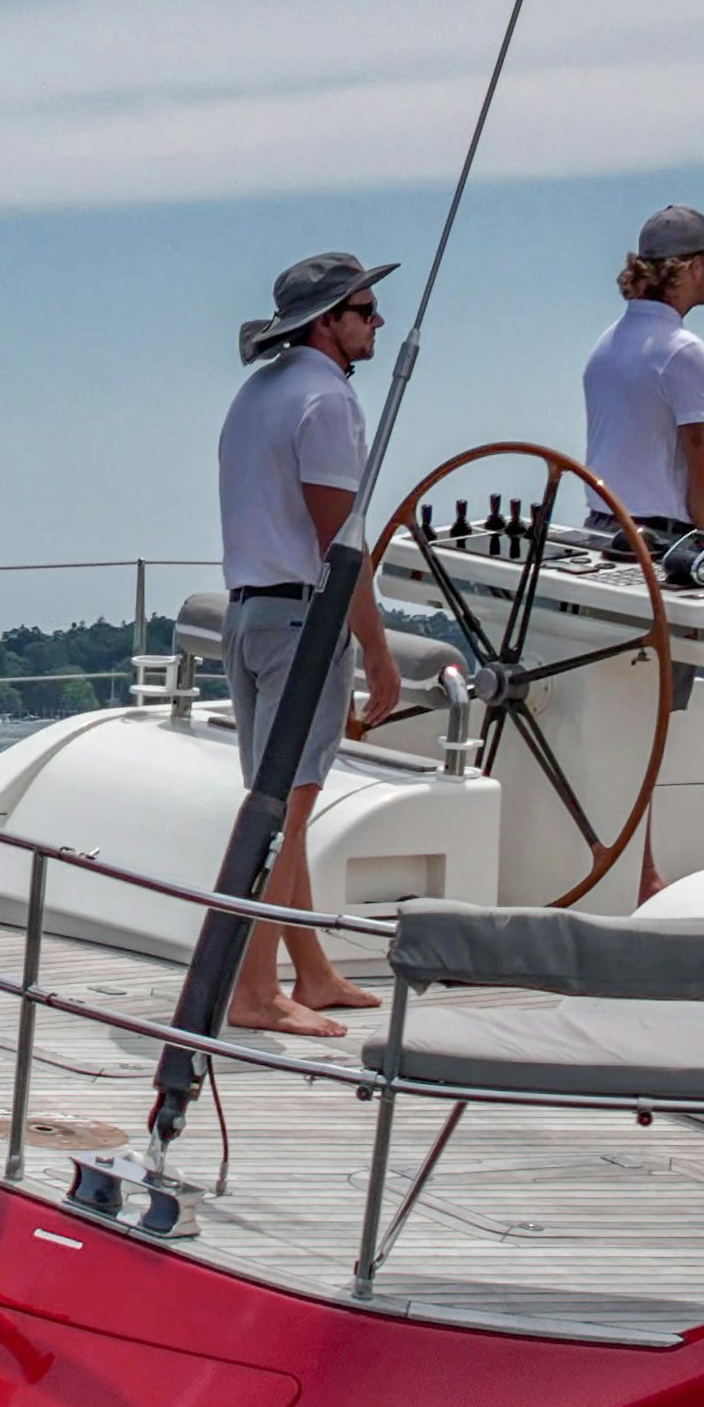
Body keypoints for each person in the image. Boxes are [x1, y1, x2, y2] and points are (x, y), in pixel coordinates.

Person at [218, 251, 405, 1036]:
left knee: (271, 806)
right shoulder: (327, 402)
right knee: (288, 817)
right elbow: (341, 545)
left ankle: (311, 970)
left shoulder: (256, 393)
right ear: (327, 322)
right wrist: (382, 655)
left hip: (247, 615)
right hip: (301, 624)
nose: (377, 322)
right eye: (364, 310)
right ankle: (253, 991)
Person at [582, 204, 704, 534]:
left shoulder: (606, 345)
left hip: (598, 531)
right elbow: (702, 458)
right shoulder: (684, 351)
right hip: (655, 541)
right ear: (696, 267)